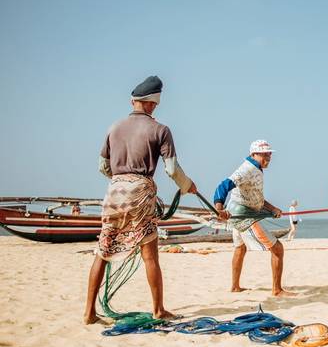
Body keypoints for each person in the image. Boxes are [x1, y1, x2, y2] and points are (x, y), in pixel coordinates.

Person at [84, 76, 200, 324]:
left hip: (114, 191)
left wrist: (120, 178)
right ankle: (158, 310)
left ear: (133, 101)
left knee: (103, 251)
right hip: (140, 193)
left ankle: (89, 313)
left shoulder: (113, 127)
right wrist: (187, 185)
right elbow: (171, 169)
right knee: (150, 255)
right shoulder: (160, 130)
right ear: (153, 104)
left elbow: (102, 167)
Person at [213, 140, 295, 297]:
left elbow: (256, 197)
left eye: (269, 153)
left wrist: (273, 209)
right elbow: (223, 186)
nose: (268, 157)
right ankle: (277, 290)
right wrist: (219, 209)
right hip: (243, 215)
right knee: (278, 249)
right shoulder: (247, 169)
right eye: (264, 154)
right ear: (253, 154)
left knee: (240, 248)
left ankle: (235, 287)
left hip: (239, 212)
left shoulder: (256, 168)